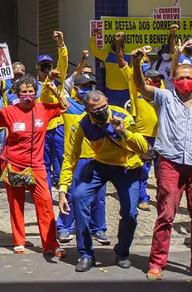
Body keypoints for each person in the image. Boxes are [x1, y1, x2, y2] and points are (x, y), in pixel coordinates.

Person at [58, 90, 149, 273]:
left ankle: (122, 252)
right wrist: (62, 188)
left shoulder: (123, 116)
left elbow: (143, 147)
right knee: (79, 196)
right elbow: (70, 157)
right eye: (94, 110)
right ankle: (86, 254)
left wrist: (124, 132)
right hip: (101, 164)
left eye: (102, 108)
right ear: (86, 109)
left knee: (130, 212)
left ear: (107, 101)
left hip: (127, 167)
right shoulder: (83, 124)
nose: (100, 112)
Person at [130, 49, 192, 281]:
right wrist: (135, 62)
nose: (185, 81)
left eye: (189, 77)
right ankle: (157, 263)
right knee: (166, 215)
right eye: (180, 77)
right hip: (170, 164)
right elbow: (141, 86)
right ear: (173, 80)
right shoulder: (165, 97)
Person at [0, 73, 68, 257]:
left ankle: (51, 243)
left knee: (45, 204)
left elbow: (65, 107)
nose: (27, 95)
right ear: (17, 94)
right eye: (23, 92)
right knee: (16, 203)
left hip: (36, 166)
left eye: (30, 91)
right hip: (13, 164)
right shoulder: (9, 111)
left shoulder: (43, 108)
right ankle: (19, 241)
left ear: (35, 93)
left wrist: (55, 91)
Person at [54, 74, 109, 246]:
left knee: (99, 197)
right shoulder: (67, 106)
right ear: (76, 88)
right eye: (83, 86)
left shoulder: (97, 109)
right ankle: (64, 228)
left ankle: (98, 229)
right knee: (69, 194)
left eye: (90, 86)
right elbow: (54, 90)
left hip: (97, 158)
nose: (87, 89)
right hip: (75, 160)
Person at [116, 39, 159, 212]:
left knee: (161, 171)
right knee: (143, 168)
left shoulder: (159, 85)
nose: (145, 66)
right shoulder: (135, 84)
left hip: (161, 134)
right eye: (143, 64)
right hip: (143, 134)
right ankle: (143, 197)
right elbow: (124, 63)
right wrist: (139, 57)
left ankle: (162, 197)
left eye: (147, 64)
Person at [37, 31, 68, 189]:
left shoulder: (57, 79)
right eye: (43, 65)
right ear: (37, 66)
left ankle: (65, 191)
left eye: (48, 64)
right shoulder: (31, 86)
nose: (46, 67)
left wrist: (61, 44)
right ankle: (46, 193)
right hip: (41, 129)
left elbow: (63, 63)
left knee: (63, 160)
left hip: (58, 126)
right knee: (43, 163)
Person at [89, 27, 130, 108]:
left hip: (126, 91)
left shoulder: (129, 58)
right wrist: (94, 36)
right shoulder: (107, 55)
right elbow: (93, 50)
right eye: (115, 43)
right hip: (111, 91)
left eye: (119, 43)